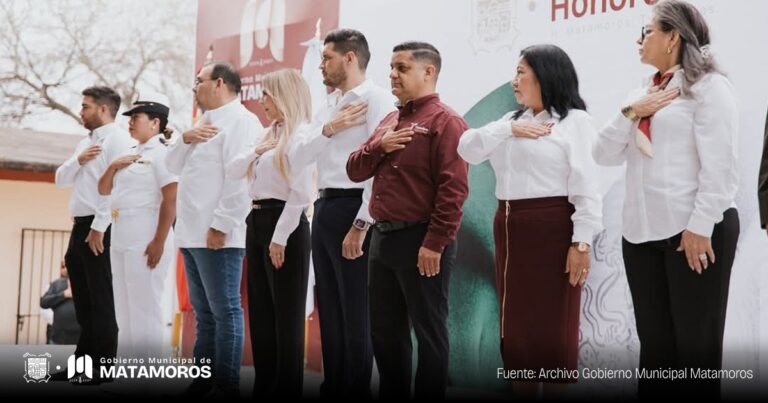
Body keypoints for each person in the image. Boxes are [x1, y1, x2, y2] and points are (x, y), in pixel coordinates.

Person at [592, 0, 739, 397]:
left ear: (673, 36)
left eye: (648, 31)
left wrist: (700, 226)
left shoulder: (709, 87)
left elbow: (720, 167)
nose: (640, 40)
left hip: (695, 230)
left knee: (696, 352)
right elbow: (602, 155)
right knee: (655, 352)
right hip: (642, 235)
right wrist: (630, 111)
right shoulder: (640, 93)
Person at [457, 44, 602, 398]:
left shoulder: (575, 122)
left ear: (546, 75)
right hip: (510, 230)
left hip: (554, 230)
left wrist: (581, 243)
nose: (515, 80)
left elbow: (586, 188)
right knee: (517, 331)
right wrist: (510, 132)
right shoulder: (510, 121)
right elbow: (466, 148)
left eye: (522, 71)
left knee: (552, 331)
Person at [346, 41, 469, 399]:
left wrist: (434, 243)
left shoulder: (447, 122)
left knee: (429, 334)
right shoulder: (389, 121)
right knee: (385, 335)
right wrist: (378, 146)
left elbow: (454, 190)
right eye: (391, 67)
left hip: (422, 242)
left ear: (428, 72)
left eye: (401, 68)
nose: (392, 75)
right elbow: (355, 169)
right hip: (382, 241)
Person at [288, 28, 394, 398]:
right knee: (329, 308)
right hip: (325, 205)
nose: (321, 64)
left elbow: (382, 167)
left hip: (355, 208)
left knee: (355, 311)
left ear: (350, 58)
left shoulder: (378, 99)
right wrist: (329, 130)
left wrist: (363, 222)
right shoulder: (329, 107)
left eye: (327, 57)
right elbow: (298, 156)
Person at [166, 62, 261, 397]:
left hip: (217, 234)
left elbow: (240, 180)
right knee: (203, 313)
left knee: (225, 311)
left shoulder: (243, 122)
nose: (194, 88)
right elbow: (171, 165)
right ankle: (203, 380)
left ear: (219, 83)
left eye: (199, 82)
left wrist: (221, 224)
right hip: (191, 233)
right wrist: (184, 139)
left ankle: (226, 384)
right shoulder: (201, 123)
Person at [227, 68, 313, 398]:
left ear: (283, 96)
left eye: (267, 94)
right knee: (261, 312)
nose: (261, 101)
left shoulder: (301, 135)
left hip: (285, 224)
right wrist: (258, 150)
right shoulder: (267, 135)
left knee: (286, 316)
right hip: (257, 220)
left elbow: (301, 193)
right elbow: (234, 169)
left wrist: (280, 238)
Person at [54, 86, 135, 383]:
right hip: (79, 226)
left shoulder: (119, 140)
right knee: (84, 302)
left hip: (101, 227)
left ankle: (103, 367)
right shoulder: (84, 143)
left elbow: (117, 188)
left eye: (86, 106)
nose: (81, 111)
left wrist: (100, 227)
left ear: (103, 109)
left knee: (101, 298)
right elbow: (60, 179)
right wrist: (79, 160)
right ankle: (82, 366)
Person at [97, 92, 177, 360]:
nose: (130, 122)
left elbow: (170, 199)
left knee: (145, 309)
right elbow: (104, 188)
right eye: (129, 118)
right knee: (124, 309)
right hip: (121, 234)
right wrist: (111, 167)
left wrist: (159, 241)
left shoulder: (163, 153)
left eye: (136, 118)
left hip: (147, 233)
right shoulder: (129, 154)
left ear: (155, 123)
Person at [40, 261, 81, 345]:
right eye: (63, 266)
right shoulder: (56, 284)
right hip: (59, 337)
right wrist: (64, 294)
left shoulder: (88, 284)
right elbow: (44, 302)